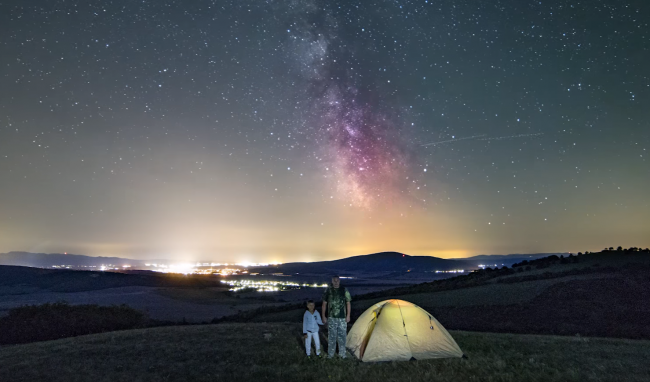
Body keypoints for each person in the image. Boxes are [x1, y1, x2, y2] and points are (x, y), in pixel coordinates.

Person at [321, 275, 352, 358]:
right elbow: (324, 303)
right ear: (332, 281)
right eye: (334, 280)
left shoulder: (344, 290)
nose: (335, 282)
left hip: (342, 317)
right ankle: (330, 354)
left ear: (339, 281)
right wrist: (323, 316)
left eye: (337, 280)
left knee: (342, 336)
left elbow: (348, 302)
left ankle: (342, 354)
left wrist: (348, 315)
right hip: (331, 317)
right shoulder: (328, 290)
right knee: (331, 336)